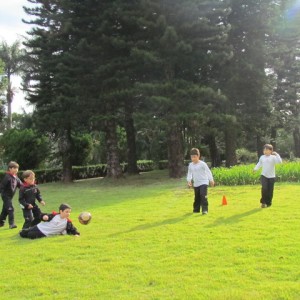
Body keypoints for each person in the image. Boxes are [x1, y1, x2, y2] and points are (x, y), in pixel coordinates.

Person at [187, 148, 215, 214]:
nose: (193, 158)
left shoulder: (203, 164)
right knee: (197, 197)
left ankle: (205, 210)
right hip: (196, 183)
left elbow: (208, 172)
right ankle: (196, 210)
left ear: (198, 156)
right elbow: (189, 173)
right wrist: (189, 181)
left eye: (194, 157)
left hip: (204, 182)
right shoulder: (190, 165)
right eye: (192, 157)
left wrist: (211, 180)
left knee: (203, 195)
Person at [0, 161, 22, 229]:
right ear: (10, 169)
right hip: (5, 196)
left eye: (17, 168)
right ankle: (11, 224)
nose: (16, 170)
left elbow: (21, 185)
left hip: (10, 196)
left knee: (5, 209)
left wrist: (27, 188)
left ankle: (1, 223)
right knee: (10, 209)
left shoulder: (15, 177)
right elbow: (1, 186)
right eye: (14, 168)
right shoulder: (7, 177)